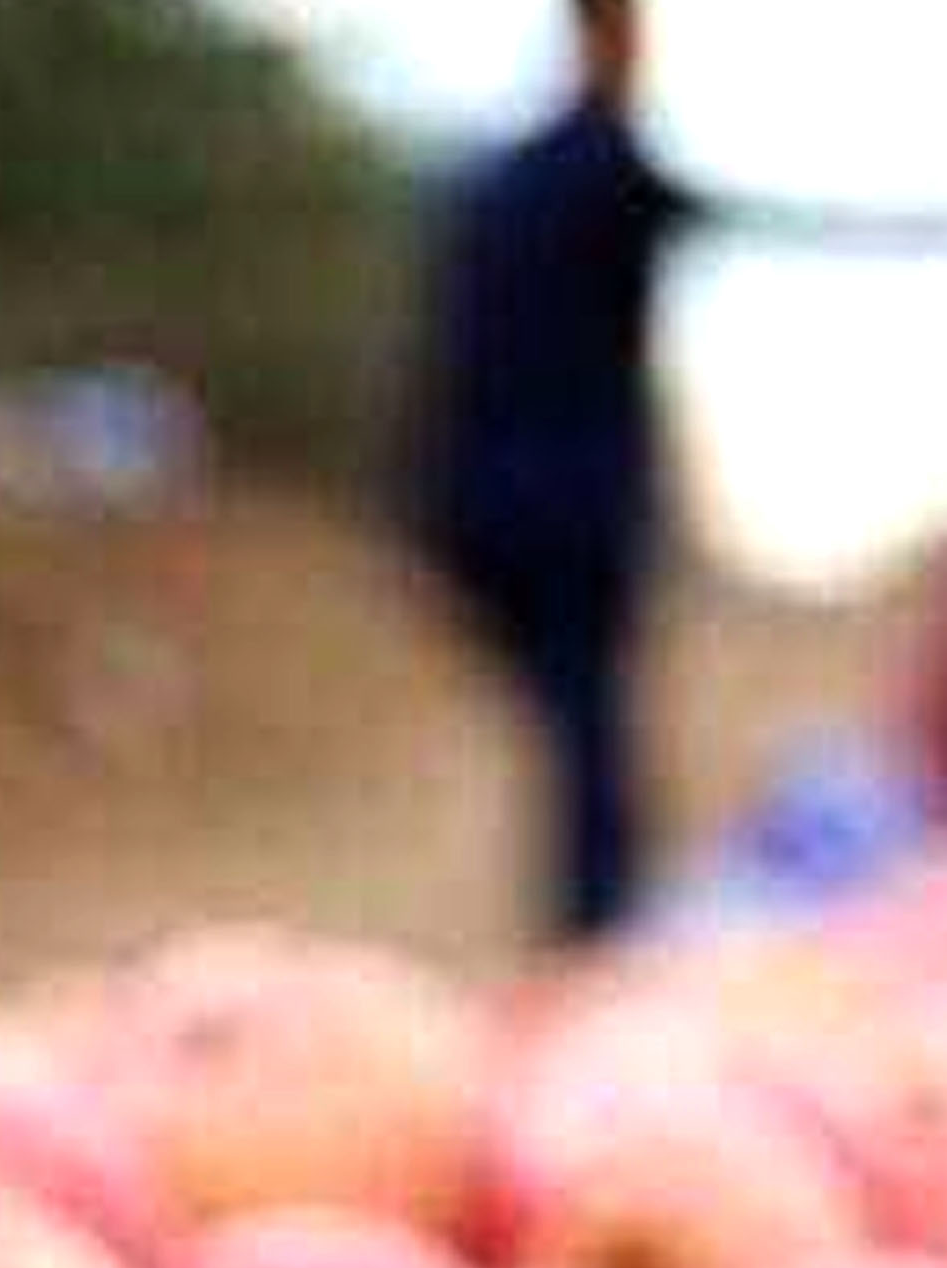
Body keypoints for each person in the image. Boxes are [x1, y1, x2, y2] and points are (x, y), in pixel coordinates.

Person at [406, 0, 697, 942]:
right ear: (611, 39)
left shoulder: (501, 184)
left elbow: (443, 359)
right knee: (589, 733)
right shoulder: (605, 168)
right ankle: (596, 931)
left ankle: (588, 920)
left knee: (571, 725)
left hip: (487, 494)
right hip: (568, 504)